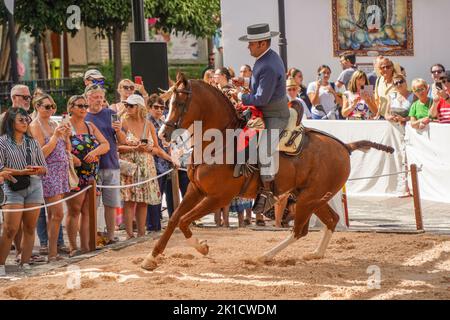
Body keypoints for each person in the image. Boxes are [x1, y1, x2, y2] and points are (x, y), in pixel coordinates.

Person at [234, 23, 290, 215]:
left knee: (265, 150)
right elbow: (262, 85)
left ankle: (267, 193)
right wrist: (245, 82)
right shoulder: (266, 58)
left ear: (262, 43)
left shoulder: (267, 64)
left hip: (275, 115)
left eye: (251, 43)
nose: (248, 46)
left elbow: (261, 98)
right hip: (267, 111)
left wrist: (240, 96)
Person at [0, 108, 47, 275]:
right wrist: (21, 172)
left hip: (34, 185)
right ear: (11, 121)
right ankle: (1, 265)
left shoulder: (32, 143)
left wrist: (37, 169)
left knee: (29, 227)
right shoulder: (2, 142)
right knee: (10, 228)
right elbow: (1, 168)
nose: (26, 123)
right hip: (12, 187)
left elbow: (44, 168)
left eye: (27, 120)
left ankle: (25, 262)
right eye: (21, 120)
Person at [65, 95, 109, 256]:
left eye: (85, 106)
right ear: (71, 108)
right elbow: (61, 147)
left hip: (91, 174)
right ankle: (72, 246)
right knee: (74, 210)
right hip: (75, 174)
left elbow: (106, 144)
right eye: (80, 106)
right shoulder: (65, 126)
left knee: (88, 211)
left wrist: (95, 152)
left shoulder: (90, 126)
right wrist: (72, 157)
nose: (84, 109)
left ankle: (86, 246)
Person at [29, 94, 71, 261]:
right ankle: (51, 252)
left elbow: (65, 147)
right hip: (48, 173)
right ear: (37, 107)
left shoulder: (53, 123)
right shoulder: (35, 125)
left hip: (60, 171)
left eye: (52, 106)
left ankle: (53, 252)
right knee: (57, 213)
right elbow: (41, 153)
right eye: (47, 106)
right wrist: (55, 137)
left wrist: (66, 136)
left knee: (56, 215)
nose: (51, 109)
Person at [85, 84, 127, 243]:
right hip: (91, 167)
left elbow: (123, 141)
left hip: (111, 163)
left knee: (111, 203)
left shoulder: (111, 113)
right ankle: (93, 236)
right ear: (87, 98)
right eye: (95, 97)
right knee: (92, 205)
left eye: (101, 97)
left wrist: (118, 130)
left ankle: (110, 236)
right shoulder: (84, 116)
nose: (99, 100)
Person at [117, 94, 162, 239]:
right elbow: (118, 147)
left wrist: (148, 149)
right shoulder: (122, 122)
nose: (127, 108)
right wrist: (135, 148)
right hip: (130, 166)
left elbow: (156, 148)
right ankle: (130, 234)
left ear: (139, 107)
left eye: (131, 105)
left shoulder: (148, 124)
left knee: (143, 201)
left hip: (146, 166)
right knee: (129, 201)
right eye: (126, 105)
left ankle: (142, 232)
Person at [146, 94, 174, 232]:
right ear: (149, 107)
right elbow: (154, 147)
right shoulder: (148, 122)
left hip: (163, 165)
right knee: (153, 197)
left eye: (162, 107)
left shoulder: (162, 123)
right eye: (156, 107)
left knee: (159, 196)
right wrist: (170, 159)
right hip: (153, 163)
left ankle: (156, 225)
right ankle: (152, 225)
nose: (159, 110)